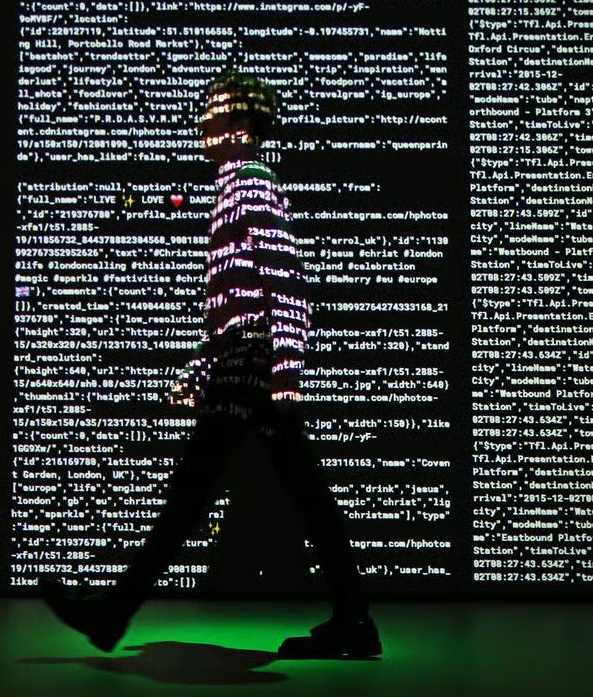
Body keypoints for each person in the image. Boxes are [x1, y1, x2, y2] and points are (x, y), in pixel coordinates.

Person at [38, 69, 381, 660]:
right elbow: (239, 297)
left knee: (192, 494)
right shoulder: (237, 187)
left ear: (243, 124)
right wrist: (204, 371)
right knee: (296, 492)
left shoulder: (250, 184)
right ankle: (353, 619)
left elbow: (283, 282)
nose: (204, 124)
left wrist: (282, 373)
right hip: (244, 363)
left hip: (249, 367)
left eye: (216, 114)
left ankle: (112, 614)